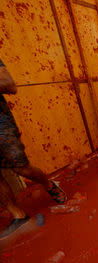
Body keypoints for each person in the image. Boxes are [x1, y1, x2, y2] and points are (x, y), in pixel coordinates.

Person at [0, 58, 67, 239]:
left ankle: (48, 184)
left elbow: (9, 85)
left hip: (1, 126)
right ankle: (18, 216)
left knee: (22, 168)